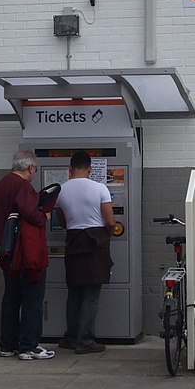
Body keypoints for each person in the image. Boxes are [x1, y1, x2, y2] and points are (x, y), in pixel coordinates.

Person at [0, 150, 55, 360]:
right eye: (34, 169)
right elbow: (31, 214)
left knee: (11, 298)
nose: (34, 173)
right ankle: (29, 346)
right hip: (25, 252)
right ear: (29, 167)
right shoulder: (22, 186)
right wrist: (45, 215)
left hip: (7, 250)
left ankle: (7, 345)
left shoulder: (0, 185)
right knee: (32, 298)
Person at [55, 151, 115, 354]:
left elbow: (62, 221)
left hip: (73, 242)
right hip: (95, 242)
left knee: (74, 292)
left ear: (69, 169)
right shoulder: (100, 188)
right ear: (90, 169)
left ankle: (71, 337)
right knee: (91, 294)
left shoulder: (61, 190)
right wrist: (108, 234)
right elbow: (110, 221)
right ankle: (86, 341)